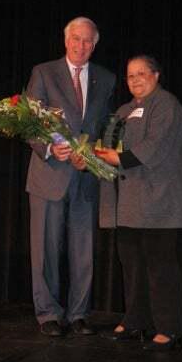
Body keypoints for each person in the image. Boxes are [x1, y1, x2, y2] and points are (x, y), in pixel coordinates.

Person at [25, 17, 116, 337]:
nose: (81, 46)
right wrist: (51, 149)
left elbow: (107, 126)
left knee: (83, 250)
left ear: (96, 43)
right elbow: (29, 122)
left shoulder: (106, 78)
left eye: (88, 41)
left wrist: (91, 155)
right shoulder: (44, 72)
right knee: (45, 249)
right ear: (66, 41)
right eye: (76, 39)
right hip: (48, 174)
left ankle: (78, 314)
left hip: (85, 176)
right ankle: (48, 313)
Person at [96, 54, 182, 351]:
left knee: (160, 267)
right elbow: (106, 147)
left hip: (160, 202)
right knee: (132, 265)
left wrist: (118, 158)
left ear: (156, 75)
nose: (135, 80)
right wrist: (87, 156)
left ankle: (169, 327)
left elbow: (157, 144)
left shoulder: (167, 105)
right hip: (129, 204)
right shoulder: (123, 110)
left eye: (141, 74)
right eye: (130, 76)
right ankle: (136, 319)